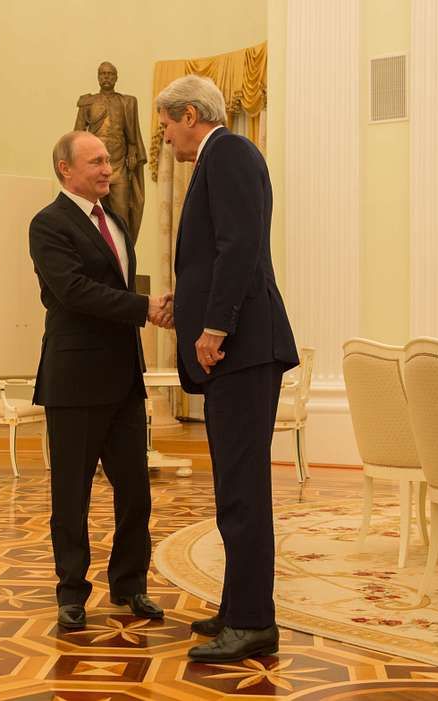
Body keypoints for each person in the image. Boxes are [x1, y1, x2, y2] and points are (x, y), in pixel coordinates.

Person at [157, 75, 299, 663]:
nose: (164, 138)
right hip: (237, 351)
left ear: (190, 114)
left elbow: (239, 247)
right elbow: (212, 256)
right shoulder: (217, 158)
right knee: (232, 488)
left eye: (166, 125)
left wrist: (213, 326)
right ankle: (238, 605)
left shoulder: (231, 152)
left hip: (241, 349)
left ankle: (252, 622)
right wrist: (182, 305)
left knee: (242, 491)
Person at [28, 130, 172, 632]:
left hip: (123, 380)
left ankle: (130, 585)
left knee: (135, 491)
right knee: (72, 494)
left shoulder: (115, 220)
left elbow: (114, 286)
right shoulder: (48, 224)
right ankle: (71, 592)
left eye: (109, 160)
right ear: (66, 169)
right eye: (96, 162)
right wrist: (144, 309)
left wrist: (152, 304)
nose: (108, 169)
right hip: (74, 381)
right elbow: (73, 292)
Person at [74, 62, 147, 243]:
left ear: (116, 77)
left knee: (122, 212)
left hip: (119, 165)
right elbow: (77, 135)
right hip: (94, 166)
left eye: (110, 74)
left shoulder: (127, 102)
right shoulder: (87, 102)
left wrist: (132, 152)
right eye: (103, 74)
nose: (106, 77)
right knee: (92, 211)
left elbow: (132, 133)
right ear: (98, 77)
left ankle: (123, 253)